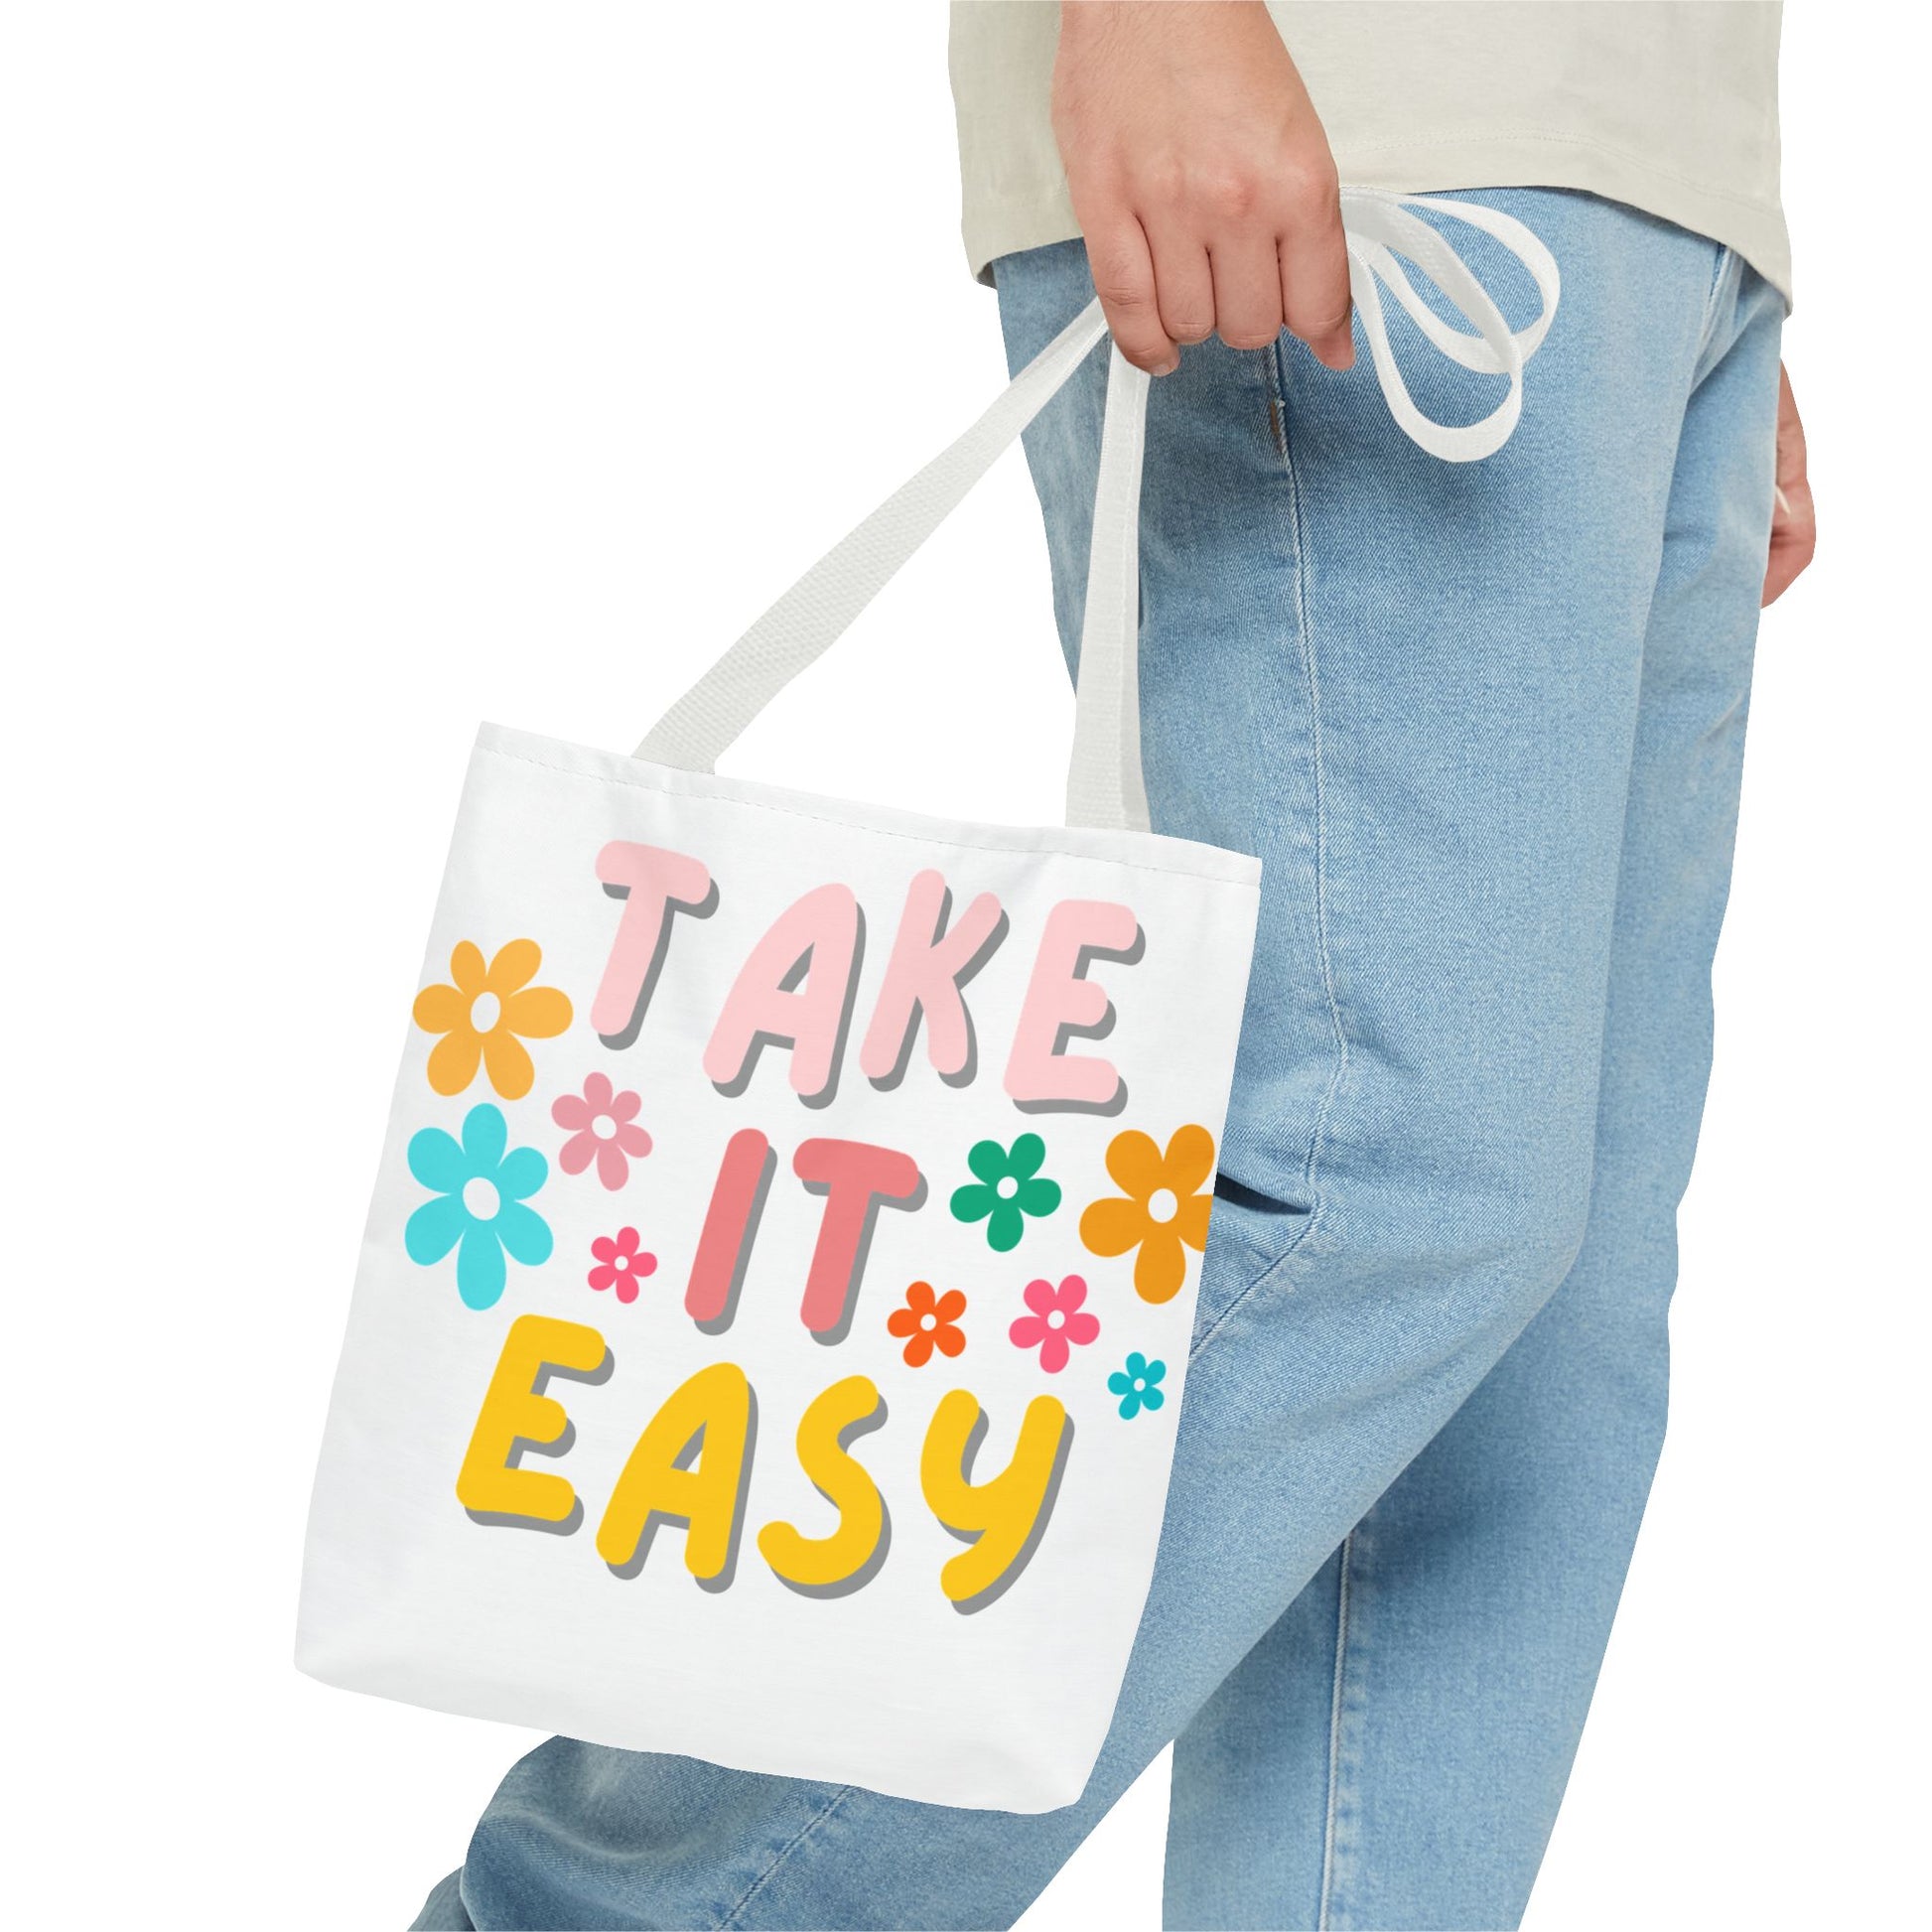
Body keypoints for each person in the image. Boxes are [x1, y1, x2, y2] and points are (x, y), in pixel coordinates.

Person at [413, 4, 1814, 1926]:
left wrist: (1695, 229)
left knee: (1533, 1353)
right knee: (1373, 1193)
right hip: (1368, 123)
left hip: (1640, 186)